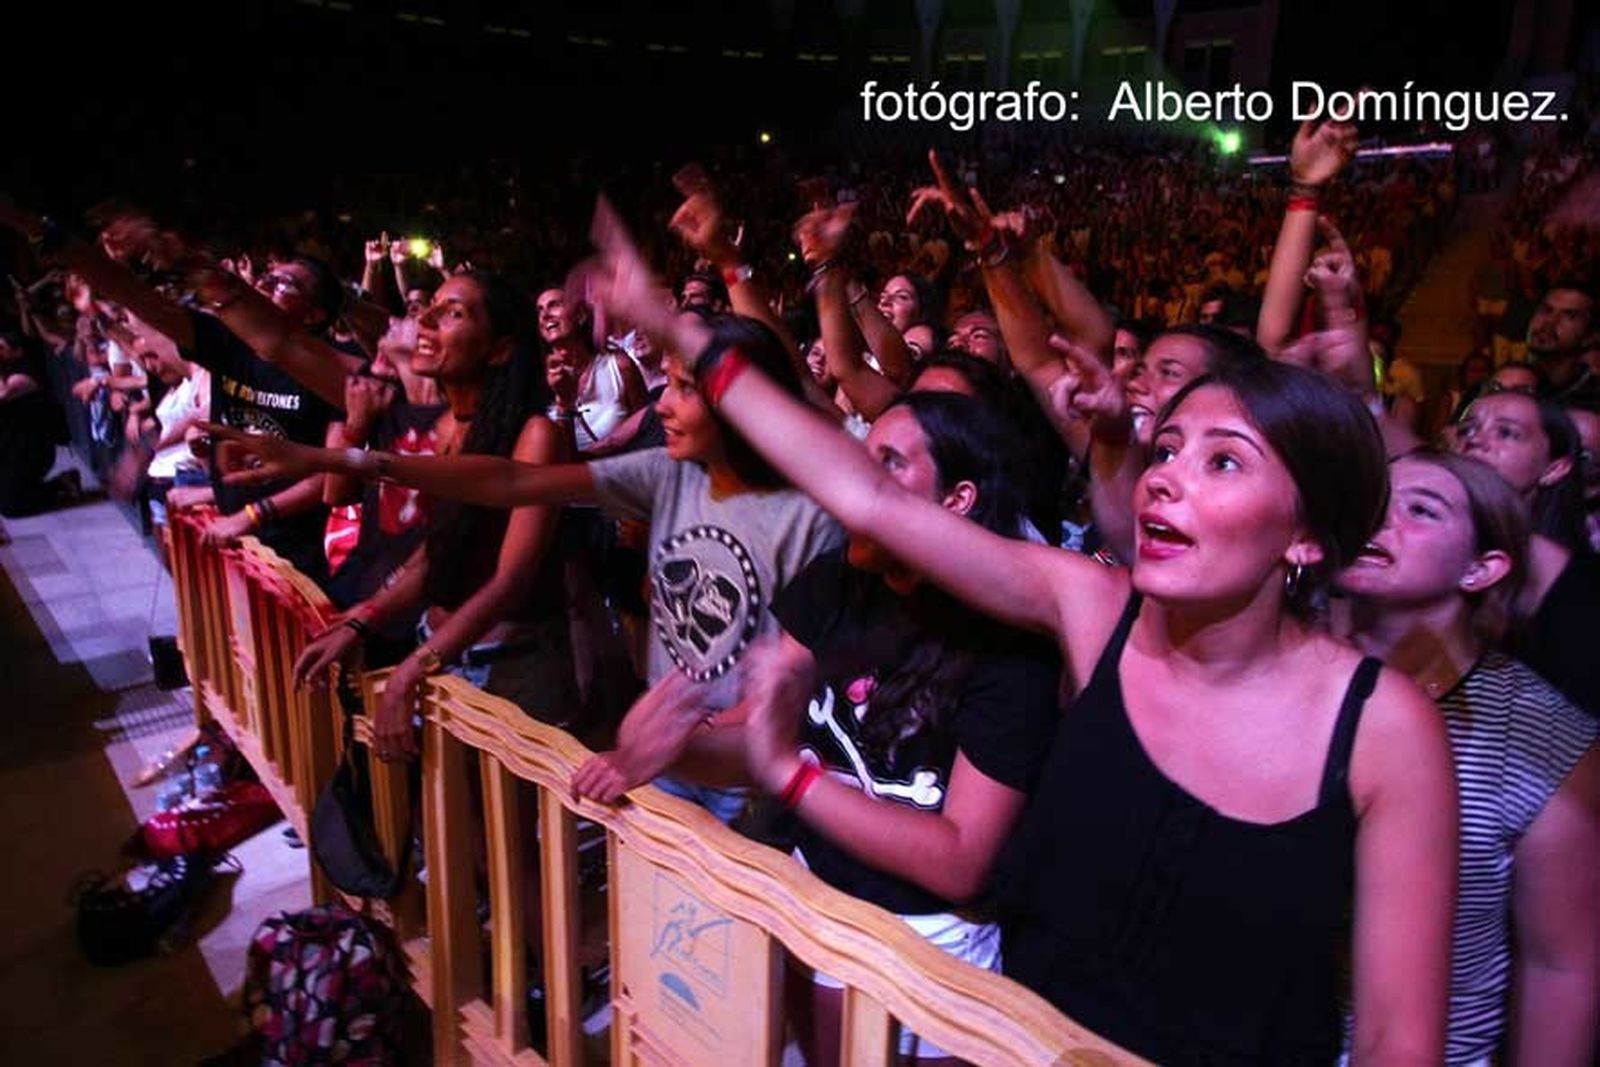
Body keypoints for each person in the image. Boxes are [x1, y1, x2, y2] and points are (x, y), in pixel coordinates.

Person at [584, 197, 1456, 1063]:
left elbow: (1395, 1039)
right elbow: (867, 496)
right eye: (1167, 450)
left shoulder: (1386, 730)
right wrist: (677, 327)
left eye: (1223, 460)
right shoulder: (1094, 609)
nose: (1165, 480)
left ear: (1307, 534)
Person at [209, 299, 842, 821]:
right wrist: (336, 460)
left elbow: (783, 686)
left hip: (749, 785)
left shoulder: (809, 516)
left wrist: (667, 745)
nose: (663, 406)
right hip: (667, 761)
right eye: (667, 385)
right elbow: (509, 483)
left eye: (683, 389)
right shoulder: (668, 475)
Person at [574, 391, 1061, 1065]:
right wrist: (670, 747)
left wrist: (793, 776)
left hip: (924, 947)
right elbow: (758, 735)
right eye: (858, 459)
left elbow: (960, 859)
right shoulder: (839, 577)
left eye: (886, 463)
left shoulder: (1012, 644)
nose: (854, 482)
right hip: (814, 893)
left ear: (958, 499)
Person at [1336, 450, 1599, 1065]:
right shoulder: (1287, 670)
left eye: (1420, 510)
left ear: (1482, 568)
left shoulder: (1542, 739)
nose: (1380, 517)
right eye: (1373, 498)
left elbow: (1560, 966)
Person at [1454, 390, 1600, 715]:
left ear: (1555, 468)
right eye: (1467, 429)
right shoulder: (1427, 554)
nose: (1475, 440)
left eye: (1506, 432)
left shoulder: (1581, 587)